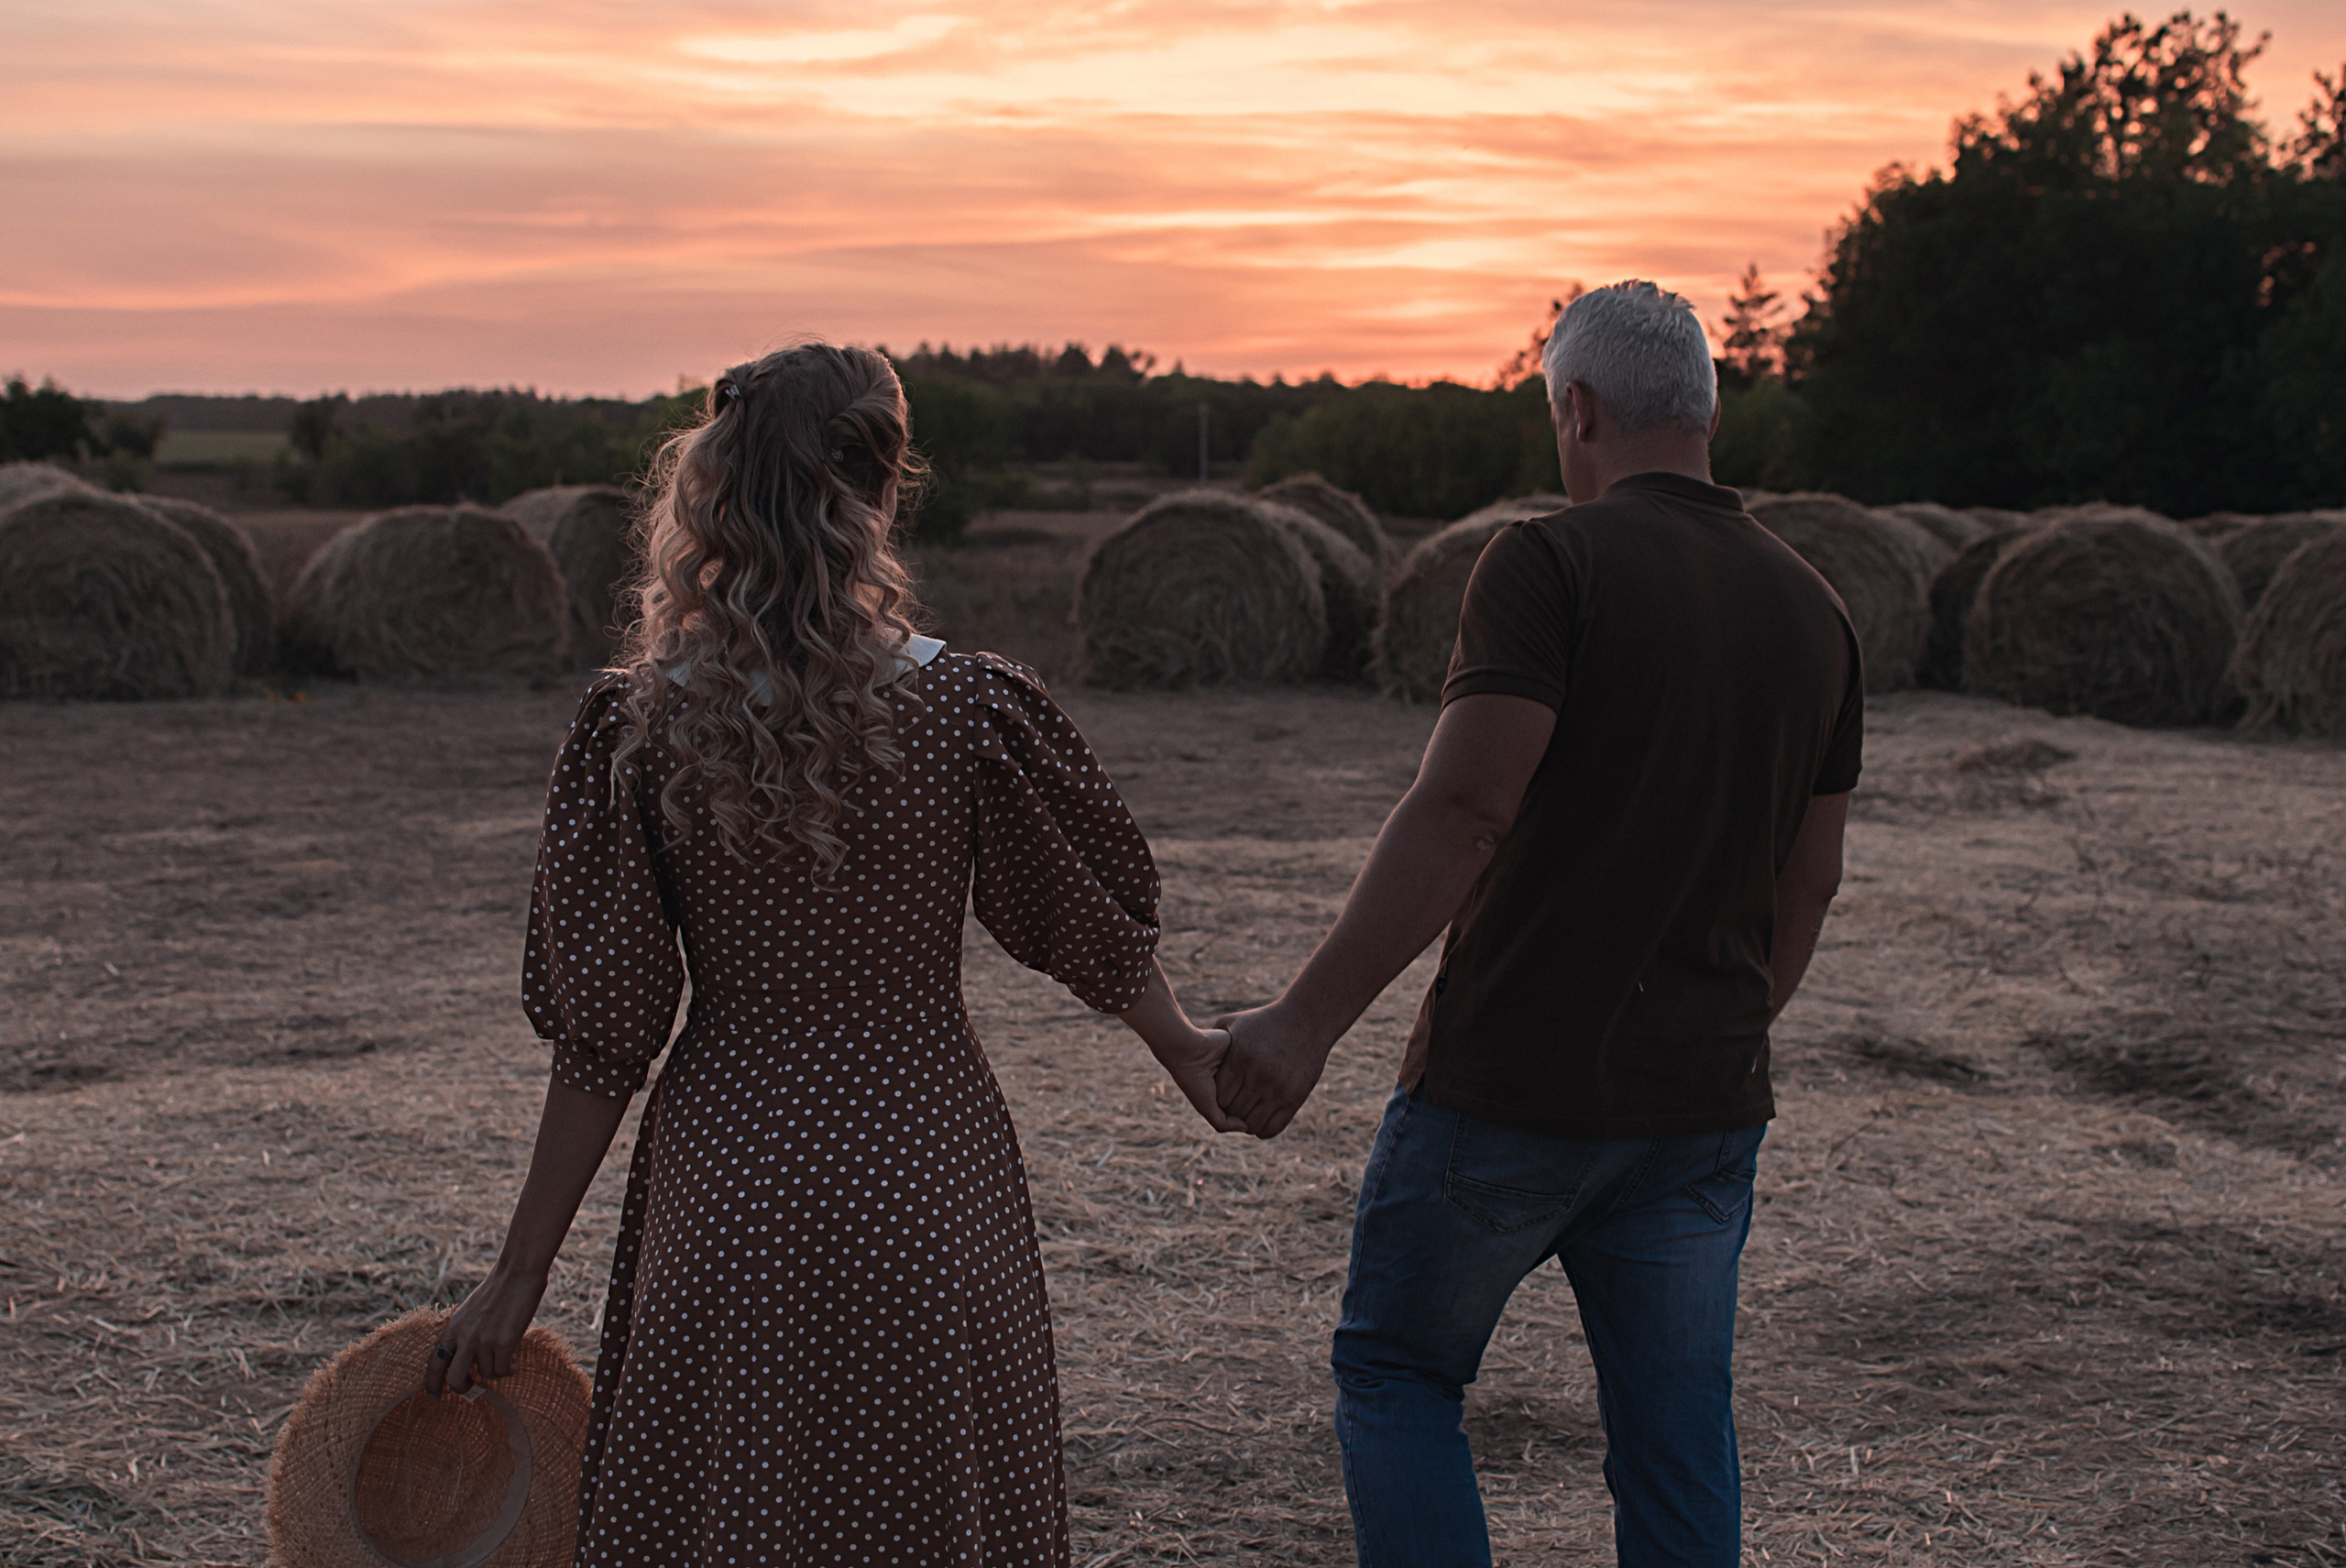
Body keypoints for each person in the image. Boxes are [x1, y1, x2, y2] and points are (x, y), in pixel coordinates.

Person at [425, 343, 1240, 1568]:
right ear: (883, 484)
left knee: (735, 1514)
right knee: (925, 1515)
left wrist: (518, 1274)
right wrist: (1187, 1051)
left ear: (718, 485)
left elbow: (605, 1040)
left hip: (731, 1185)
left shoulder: (643, 718)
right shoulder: (970, 708)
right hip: (925, 1172)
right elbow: (1085, 922)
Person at [1212, 280, 1862, 1568]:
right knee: (1675, 1436)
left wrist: (1303, 1022)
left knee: (1400, 1375)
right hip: (1702, 1110)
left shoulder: (1549, 561)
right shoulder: (1818, 608)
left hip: (1509, 1089)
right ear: (1708, 413)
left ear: (1580, 409)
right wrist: (1711, 1030)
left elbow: (1465, 808)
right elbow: (1812, 882)